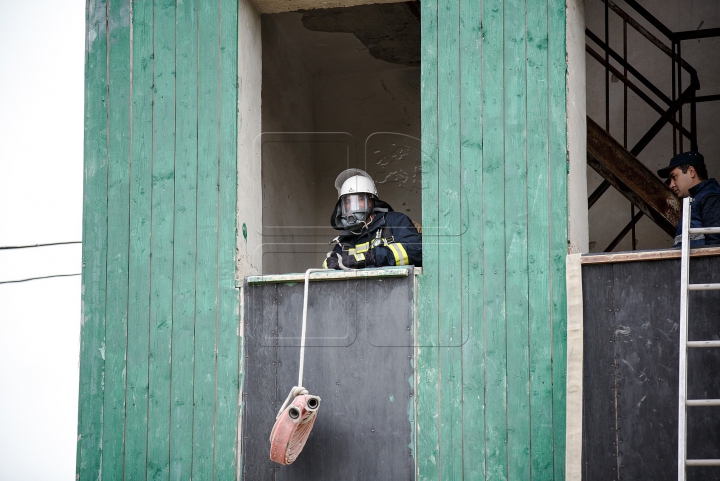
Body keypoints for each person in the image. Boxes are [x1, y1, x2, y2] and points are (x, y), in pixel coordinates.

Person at [322, 168, 422, 269]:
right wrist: (330, 264)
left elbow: (417, 251)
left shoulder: (395, 222)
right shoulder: (345, 239)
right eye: (348, 202)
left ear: (371, 201)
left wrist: (375, 256)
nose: (353, 206)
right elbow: (327, 268)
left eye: (359, 199)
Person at [657, 151, 720, 247]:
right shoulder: (696, 198)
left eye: (674, 177)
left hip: (700, 262)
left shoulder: (710, 197)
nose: (671, 185)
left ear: (691, 172)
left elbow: (715, 247)